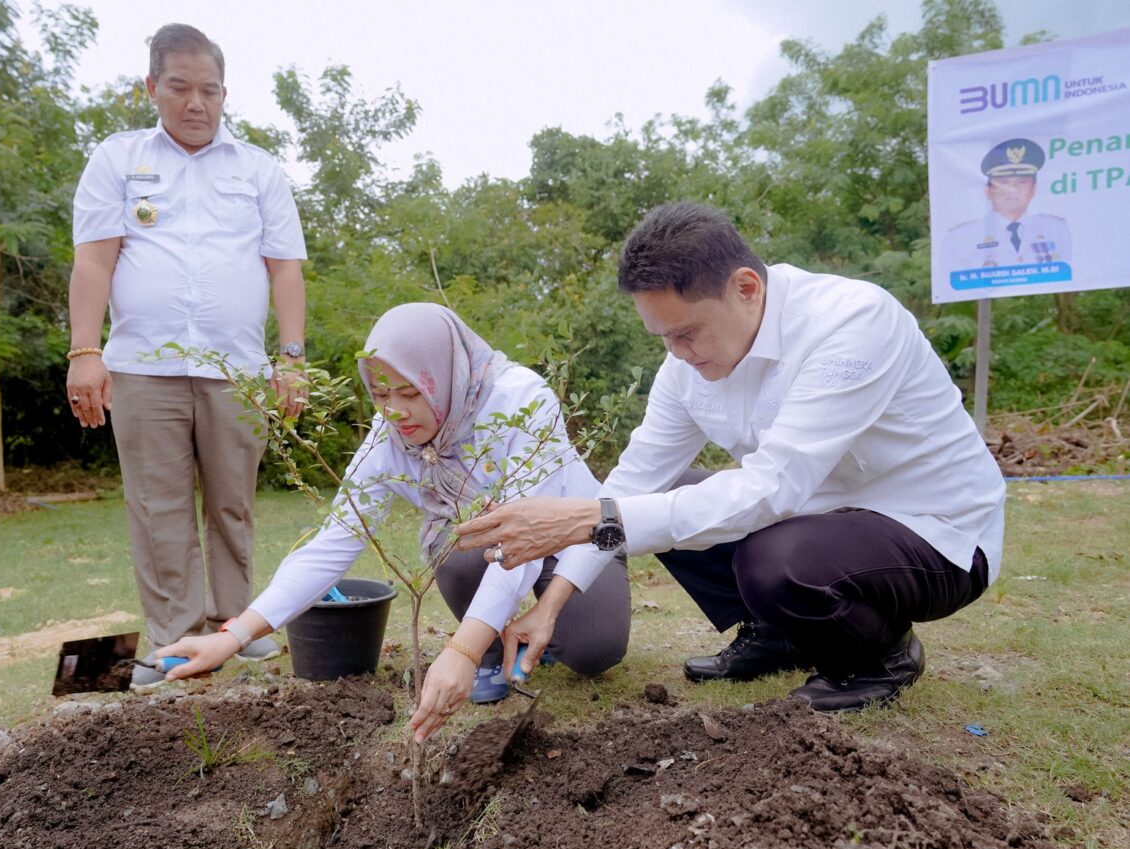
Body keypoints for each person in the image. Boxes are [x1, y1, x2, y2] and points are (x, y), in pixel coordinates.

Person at [457, 201, 1006, 713]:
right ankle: (782, 634)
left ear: (747, 288)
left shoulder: (850, 323)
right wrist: (552, 602)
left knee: (774, 561)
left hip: (936, 533)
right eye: (663, 338)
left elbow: (776, 487)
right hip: (815, 521)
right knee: (663, 498)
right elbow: (632, 486)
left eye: (688, 333)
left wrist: (590, 517)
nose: (678, 353)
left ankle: (881, 657)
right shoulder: (684, 369)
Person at [157, 303, 631, 741]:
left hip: (575, 538)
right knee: (463, 544)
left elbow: (522, 538)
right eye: (381, 393)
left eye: (410, 392)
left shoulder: (520, 401)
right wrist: (232, 637)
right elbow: (333, 543)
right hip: (487, 549)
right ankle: (487, 649)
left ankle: (492, 640)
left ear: (445, 377)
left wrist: (456, 651)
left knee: (595, 651)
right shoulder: (389, 439)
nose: (394, 410)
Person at [66, 23, 309, 688]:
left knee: (233, 503)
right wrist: (85, 352)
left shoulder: (258, 169)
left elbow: (285, 271)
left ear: (225, 93)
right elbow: (93, 262)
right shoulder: (118, 161)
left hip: (239, 370)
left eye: (208, 90)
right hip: (142, 369)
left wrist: (291, 359)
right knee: (158, 507)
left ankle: (235, 625)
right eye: (179, 87)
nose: (195, 102)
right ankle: (175, 639)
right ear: (152, 88)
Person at [943, 137, 1071, 273]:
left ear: (1034, 189)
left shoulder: (1056, 229)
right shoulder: (960, 237)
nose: (1012, 190)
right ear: (988, 190)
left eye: (1021, 182)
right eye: (1003, 182)